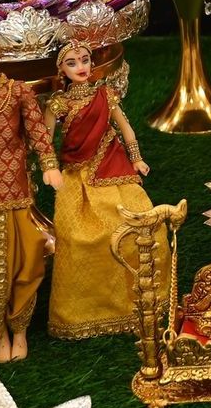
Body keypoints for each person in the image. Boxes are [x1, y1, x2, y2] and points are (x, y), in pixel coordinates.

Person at [44, 42, 168, 339]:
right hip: (77, 176)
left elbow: (126, 129)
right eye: (72, 63)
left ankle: (143, 304)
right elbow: (45, 142)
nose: (81, 67)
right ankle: (84, 314)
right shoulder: (58, 105)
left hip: (114, 167)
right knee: (78, 237)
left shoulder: (105, 95)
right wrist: (49, 168)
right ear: (61, 70)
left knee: (141, 227)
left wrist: (136, 159)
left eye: (85, 60)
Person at [0, 14, 62, 362]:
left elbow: (38, 133)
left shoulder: (17, 92)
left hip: (15, 193)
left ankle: (19, 330)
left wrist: (50, 165)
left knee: (25, 263)